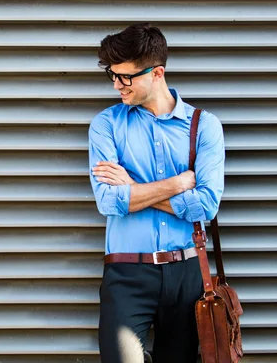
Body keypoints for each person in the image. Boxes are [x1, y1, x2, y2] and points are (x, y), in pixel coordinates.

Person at [88, 23, 225, 363]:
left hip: (188, 273)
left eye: (126, 77)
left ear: (157, 72)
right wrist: (179, 184)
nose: (117, 85)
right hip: (126, 272)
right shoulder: (106, 125)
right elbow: (108, 201)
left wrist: (132, 189)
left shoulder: (204, 125)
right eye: (113, 76)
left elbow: (205, 206)